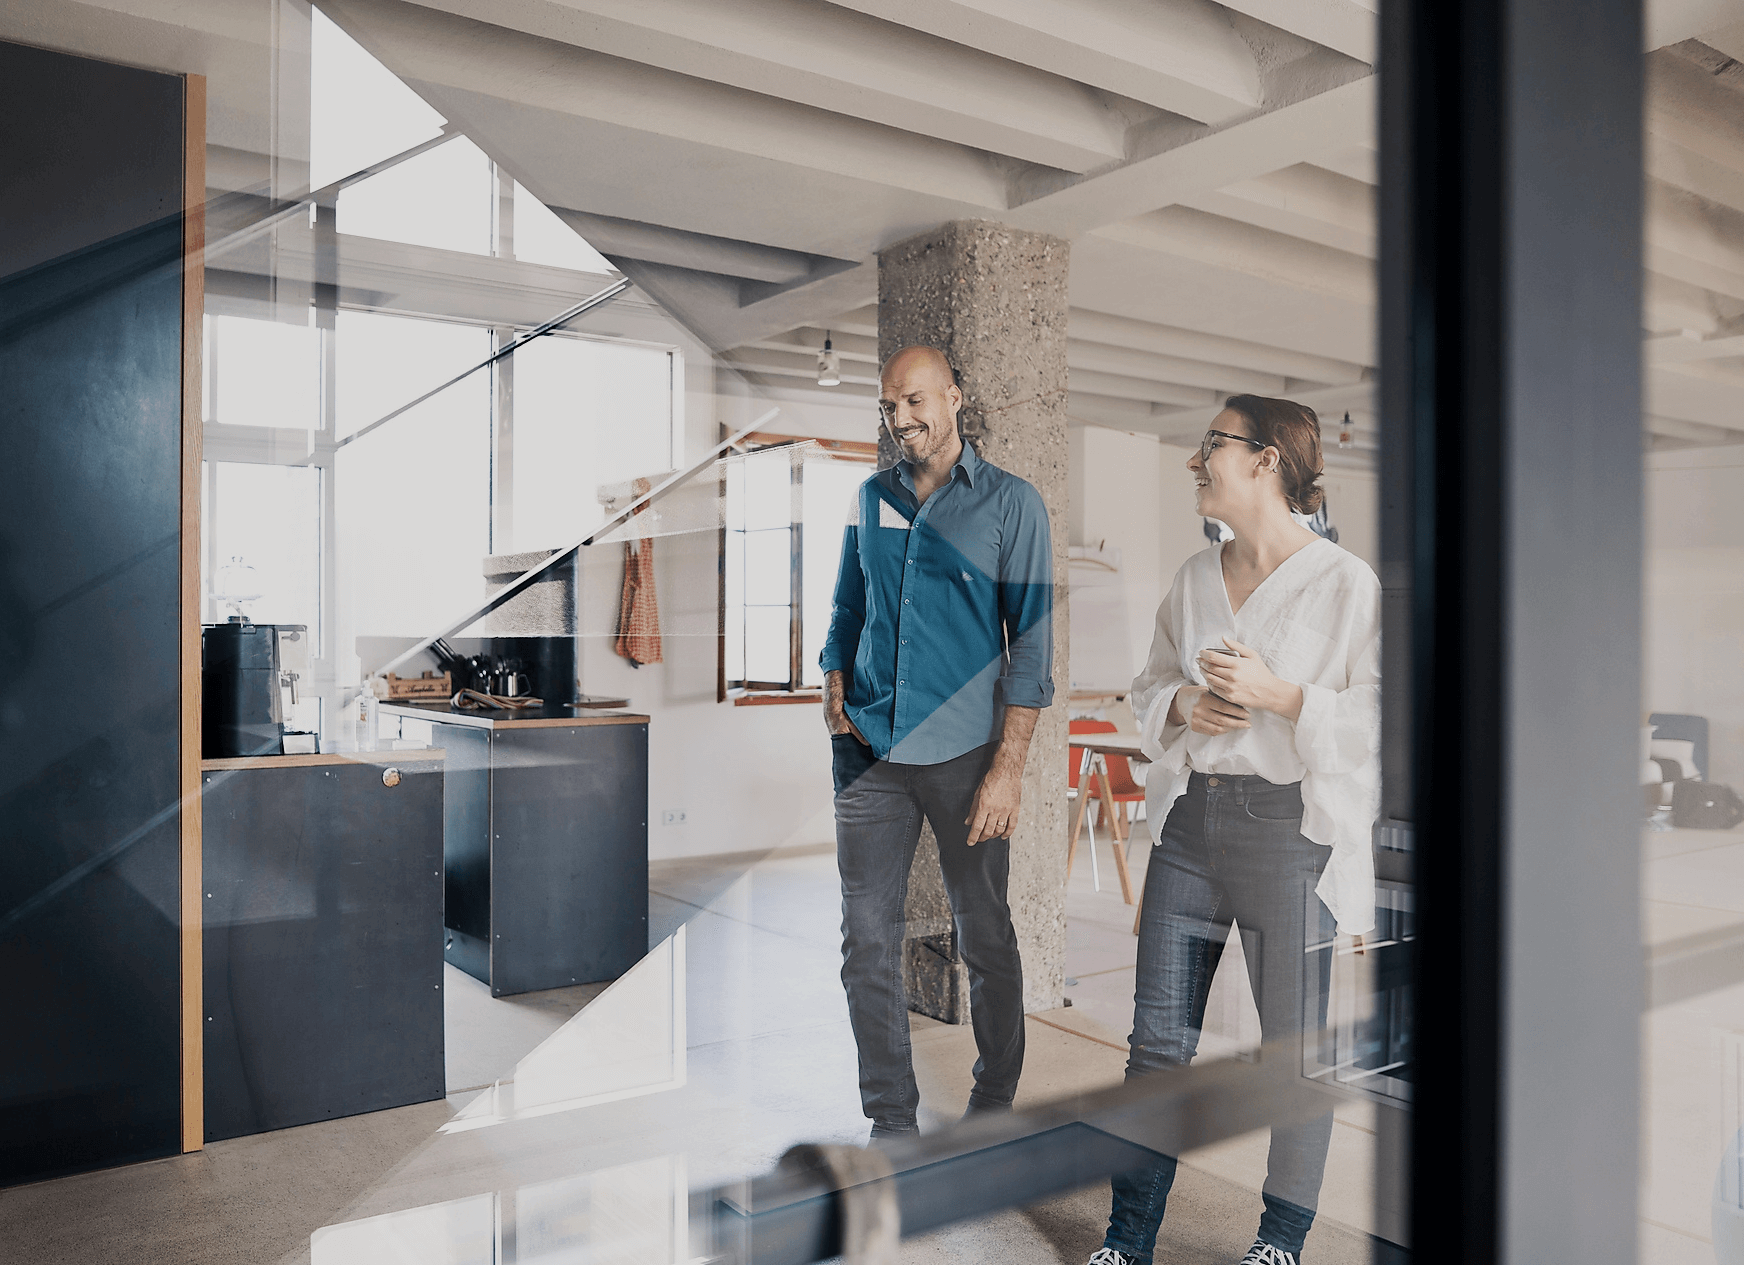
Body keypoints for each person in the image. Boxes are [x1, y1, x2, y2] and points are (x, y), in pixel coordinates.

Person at [1088, 395, 1380, 1265]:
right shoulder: (1191, 577)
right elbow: (1149, 688)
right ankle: (1126, 1240)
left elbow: (1381, 717)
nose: (1196, 459)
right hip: (1192, 827)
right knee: (1156, 1048)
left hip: (1290, 837)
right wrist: (1188, 701)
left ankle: (1279, 1241)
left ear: (1266, 461)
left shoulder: (1345, 583)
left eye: (1212, 444)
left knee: (1294, 1056)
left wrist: (1278, 694)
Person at [820, 345, 1054, 1141]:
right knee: (865, 943)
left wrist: (1009, 770)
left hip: (966, 756)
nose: (901, 420)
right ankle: (891, 1121)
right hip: (870, 753)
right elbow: (848, 603)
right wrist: (831, 684)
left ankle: (994, 1104)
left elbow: (1033, 649)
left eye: (915, 401)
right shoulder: (870, 494)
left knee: (983, 932)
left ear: (955, 398)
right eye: (889, 407)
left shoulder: (1012, 505)